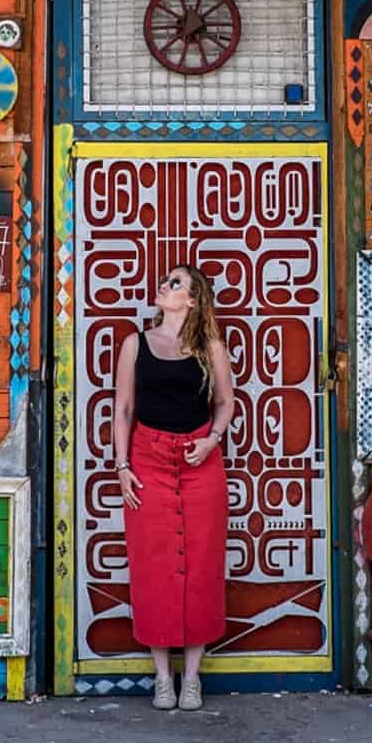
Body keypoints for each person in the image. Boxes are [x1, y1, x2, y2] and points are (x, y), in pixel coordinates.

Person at [112, 264, 236, 712]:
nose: (164, 287)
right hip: (148, 458)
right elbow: (123, 408)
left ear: (193, 299)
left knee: (201, 563)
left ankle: (193, 678)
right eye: (166, 282)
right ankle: (163, 678)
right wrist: (122, 465)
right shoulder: (135, 344)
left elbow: (225, 401)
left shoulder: (211, 347)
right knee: (154, 566)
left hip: (200, 461)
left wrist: (212, 439)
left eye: (175, 284)